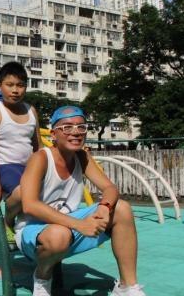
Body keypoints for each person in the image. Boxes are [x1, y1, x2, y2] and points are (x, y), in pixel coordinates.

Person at [16, 106, 146, 296]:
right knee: (58, 235)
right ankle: (42, 277)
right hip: (34, 231)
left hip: (68, 226)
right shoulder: (40, 158)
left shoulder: (82, 156)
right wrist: (79, 224)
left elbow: (110, 189)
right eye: (67, 127)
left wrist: (104, 207)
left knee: (122, 209)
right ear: (54, 134)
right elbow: (30, 205)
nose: (75, 132)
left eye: (81, 127)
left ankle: (127, 286)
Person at [0, 61, 41, 248]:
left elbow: (37, 145)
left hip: (28, 166)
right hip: (4, 166)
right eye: (10, 85)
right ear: (0, 86)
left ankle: (32, 232)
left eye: (20, 85)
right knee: (24, 192)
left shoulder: (31, 110)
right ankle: (8, 221)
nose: (15, 90)